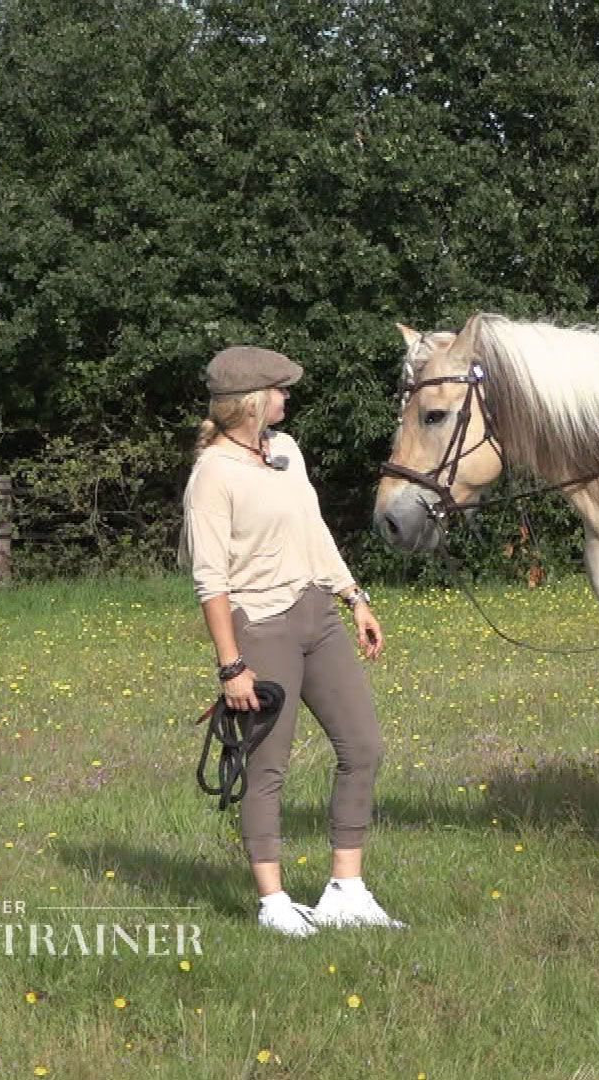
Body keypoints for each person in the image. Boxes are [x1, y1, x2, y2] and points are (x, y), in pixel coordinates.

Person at [181, 345, 402, 936]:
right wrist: (232, 668)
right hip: (262, 626)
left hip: (317, 613)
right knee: (267, 768)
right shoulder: (212, 476)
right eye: (280, 390)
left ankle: (345, 890)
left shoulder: (287, 452)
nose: (288, 398)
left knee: (363, 745)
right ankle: (274, 903)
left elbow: (313, 528)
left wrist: (354, 598)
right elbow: (210, 581)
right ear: (253, 402)